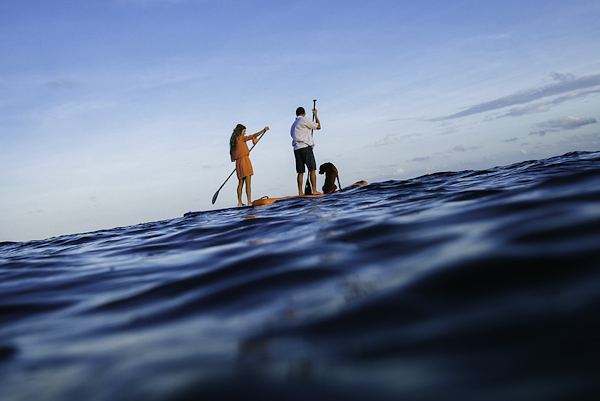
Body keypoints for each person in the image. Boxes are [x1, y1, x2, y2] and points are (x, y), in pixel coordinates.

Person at [230, 124, 269, 206]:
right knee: (248, 182)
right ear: (240, 131)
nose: (244, 133)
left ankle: (239, 202)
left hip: (238, 163)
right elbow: (253, 136)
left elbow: (232, 157)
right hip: (244, 160)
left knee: (240, 183)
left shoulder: (234, 141)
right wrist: (263, 130)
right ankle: (249, 201)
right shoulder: (241, 138)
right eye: (244, 131)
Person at [290, 106, 321, 196]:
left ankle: (300, 192)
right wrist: (315, 115)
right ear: (304, 114)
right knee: (312, 169)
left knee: (300, 172)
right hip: (305, 147)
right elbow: (318, 126)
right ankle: (314, 190)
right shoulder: (305, 120)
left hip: (296, 149)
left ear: (296, 114)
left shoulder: (293, 125)